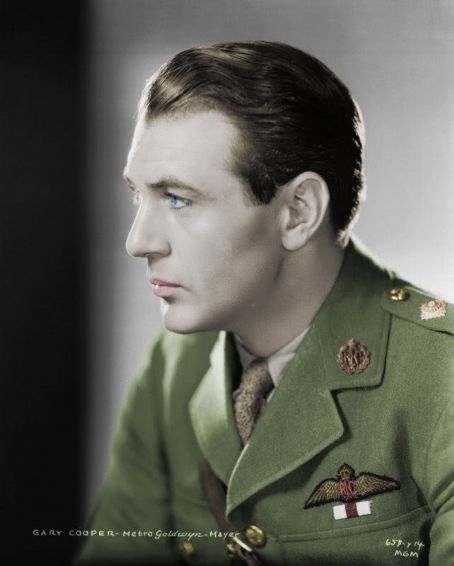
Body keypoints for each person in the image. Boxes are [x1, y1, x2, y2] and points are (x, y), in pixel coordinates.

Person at [76, 41, 454, 566]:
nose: (138, 241)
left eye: (178, 198)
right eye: (139, 196)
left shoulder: (441, 373)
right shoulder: (174, 367)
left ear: (297, 212)